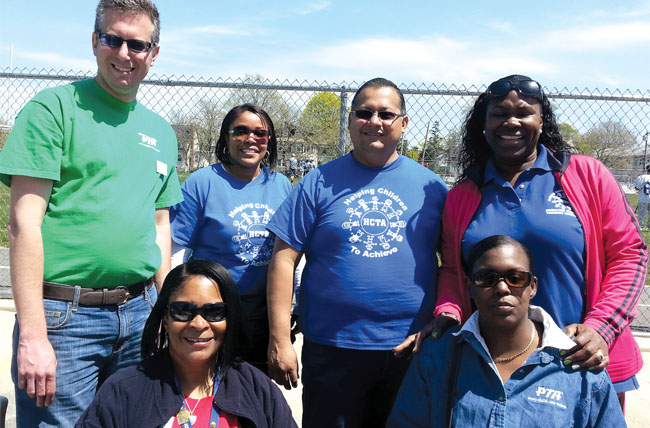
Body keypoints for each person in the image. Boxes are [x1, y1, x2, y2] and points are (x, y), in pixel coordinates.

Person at [0, 1, 183, 425]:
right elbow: (23, 223)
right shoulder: (53, 110)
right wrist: (32, 335)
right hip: (65, 319)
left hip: (140, 312)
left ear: (153, 53)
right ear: (94, 42)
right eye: (112, 39)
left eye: (137, 44)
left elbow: (160, 227)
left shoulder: (160, 132)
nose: (124, 53)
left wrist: (166, 310)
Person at [428, 74, 646, 408]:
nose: (511, 121)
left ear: (541, 121)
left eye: (523, 112)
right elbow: (454, 269)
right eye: (499, 113)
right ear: (483, 125)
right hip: (494, 365)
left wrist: (602, 327)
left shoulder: (586, 176)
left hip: (581, 359)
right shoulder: (464, 194)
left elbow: (630, 255)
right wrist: (449, 310)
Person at [266, 77, 448, 427]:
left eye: (386, 114)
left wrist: (439, 322)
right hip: (333, 347)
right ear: (350, 121)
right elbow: (284, 258)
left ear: (404, 123)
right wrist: (279, 341)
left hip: (410, 347)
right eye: (364, 113)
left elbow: (454, 263)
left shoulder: (432, 188)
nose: (374, 121)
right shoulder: (317, 183)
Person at [388, 235, 626, 428]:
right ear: (470, 286)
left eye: (515, 278)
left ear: (532, 286)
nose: (502, 287)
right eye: (486, 278)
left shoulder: (579, 365)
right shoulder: (438, 357)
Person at [75, 259, 298, 427]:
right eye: (183, 311)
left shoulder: (256, 388)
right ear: (165, 317)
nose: (199, 324)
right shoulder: (123, 391)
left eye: (215, 312)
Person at [170, 104, 292, 373]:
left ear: (269, 141)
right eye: (241, 131)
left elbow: (289, 253)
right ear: (226, 137)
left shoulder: (281, 185)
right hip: (213, 314)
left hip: (263, 313)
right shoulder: (202, 182)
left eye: (261, 133)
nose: (251, 139)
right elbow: (177, 250)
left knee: (254, 397)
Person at [634, 164, 650, 229]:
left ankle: (640, 226)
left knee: (641, 214)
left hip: (643, 198)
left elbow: (637, 188)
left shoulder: (641, 177)